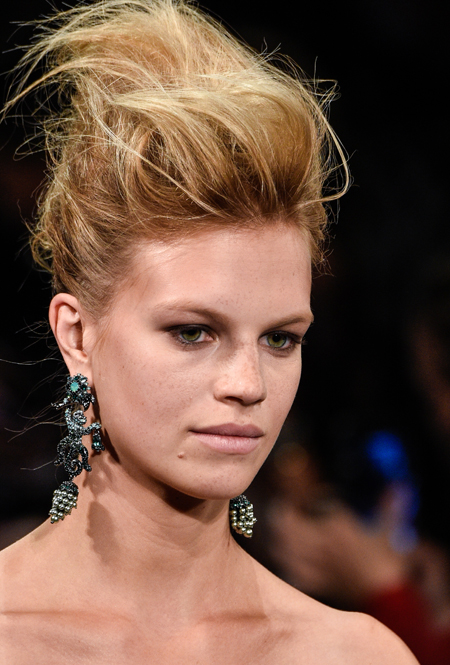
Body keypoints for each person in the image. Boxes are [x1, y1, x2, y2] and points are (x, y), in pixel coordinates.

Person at [0, 0, 418, 662]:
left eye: (280, 339)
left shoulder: (352, 654)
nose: (249, 385)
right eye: (193, 332)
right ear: (77, 336)